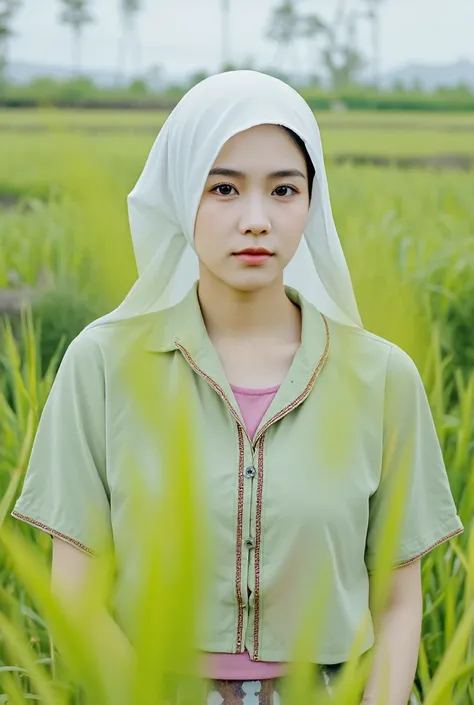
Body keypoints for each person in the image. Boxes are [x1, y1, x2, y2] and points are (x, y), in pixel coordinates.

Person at [11, 70, 463, 705]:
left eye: (284, 189)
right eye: (223, 188)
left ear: (311, 202)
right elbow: (76, 595)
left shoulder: (381, 376)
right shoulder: (105, 366)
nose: (256, 220)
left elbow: (395, 599)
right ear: (179, 194)